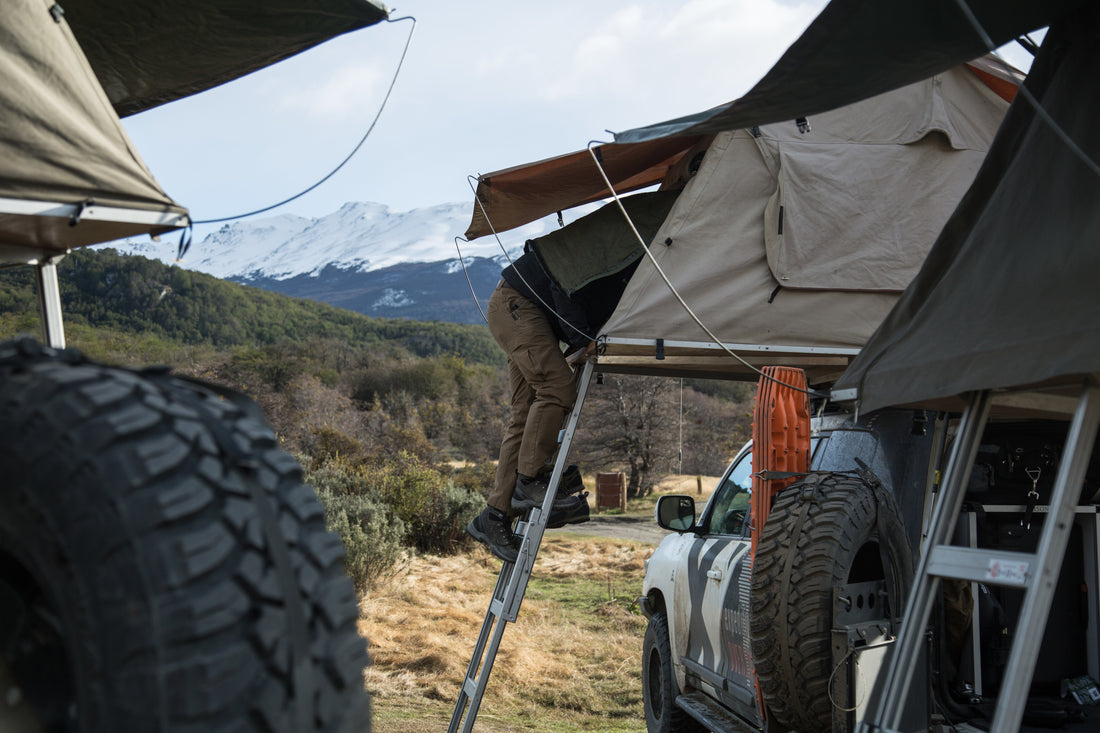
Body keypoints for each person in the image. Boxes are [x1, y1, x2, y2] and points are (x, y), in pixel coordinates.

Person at [466, 245, 638, 563]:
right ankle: (529, 483)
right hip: (520, 307)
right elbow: (564, 282)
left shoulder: (629, 250)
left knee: (525, 412)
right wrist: (581, 337)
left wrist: (581, 338)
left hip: (515, 307)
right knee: (557, 388)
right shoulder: (626, 250)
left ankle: (493, 516)